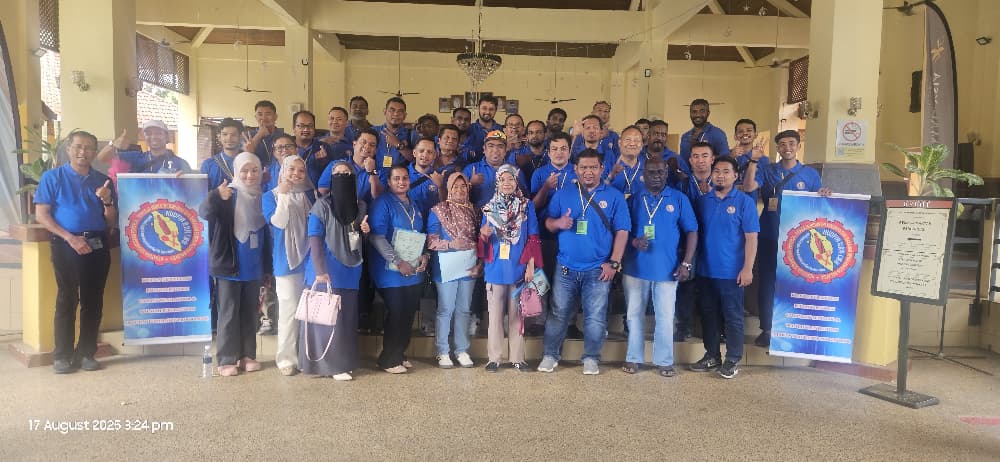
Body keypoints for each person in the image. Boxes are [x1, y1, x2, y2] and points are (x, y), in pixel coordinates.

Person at [538, 149, 630, 375]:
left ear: (602, 169)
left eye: (593, 167)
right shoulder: (563, 194)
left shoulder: (614, 196)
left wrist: (614, 263)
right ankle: (550, 355)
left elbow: (622, 231)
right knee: (558, 313)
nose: (588, 172)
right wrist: (558, 223)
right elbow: (547, 223)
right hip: (566, 267)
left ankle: (591, 358)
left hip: (598, 268)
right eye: (584, 167)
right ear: (576, 169)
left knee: (595, 317)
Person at [34, 131, 117, 374]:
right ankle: (62, 356)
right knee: (67, 298)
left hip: (97, 244)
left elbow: (111, 220)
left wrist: (107, 201)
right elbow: (42, 215)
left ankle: (86, 353)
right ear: (68, 149)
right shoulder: (52, 177)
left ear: (94, 152)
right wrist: (70, 238)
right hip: (66, 244)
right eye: (78, 146)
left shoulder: (103, 181)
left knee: (94, 300)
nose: (83, 152)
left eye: (89, 148)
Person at [742, 130, 831, 348]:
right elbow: (748, 187)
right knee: (768, 283)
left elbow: (818, 204)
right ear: (778, 149)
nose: (787, 147)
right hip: (770, 235)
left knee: (795, 282)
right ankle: (767, 329)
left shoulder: (810, 174)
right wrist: (753, 160)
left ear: (799, 146)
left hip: (799, 240)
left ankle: (793, 328)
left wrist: (824, 193)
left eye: (791, 143)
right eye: (782, 144)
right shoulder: (768, 170)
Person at [621, 157, 697, 377]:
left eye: (661, 172)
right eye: (652, 172)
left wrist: (686, 263)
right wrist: (634, 242)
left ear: (666, 173)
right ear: (643, 174)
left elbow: (692, 231)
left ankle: (664, 360)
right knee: (633, 314)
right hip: (635, 268)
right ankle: (633, 357)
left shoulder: (679, 199)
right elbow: (621, 231)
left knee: (665, 315)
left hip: (668, 268)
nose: (656, 176)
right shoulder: (634, 199)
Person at [199, 152, 271, 377]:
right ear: (236, 172)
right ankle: (226, 359)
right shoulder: (227, 194)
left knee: (250, 313)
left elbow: (267, 235)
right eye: (244, 170)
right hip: (229, 266)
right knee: (228, 312)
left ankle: (247, 355)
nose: (250, 175)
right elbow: (204, 212)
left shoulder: (263, 196)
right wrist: (215, 196)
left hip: (254, 266)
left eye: (255, 170)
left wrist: (267, 269)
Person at [689, 155, 758, 379]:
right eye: (717, 171)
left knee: (733, 316)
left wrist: (747, 268)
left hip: (732, 272)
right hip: (705, 270)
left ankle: (733, 358)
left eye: (726, 171)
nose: (720, 176)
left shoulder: (744, 202)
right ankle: (712, 355)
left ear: (736, 175)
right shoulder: (703, 201)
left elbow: (751, 238)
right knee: (708, 315)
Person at [304, 162, 371, 381]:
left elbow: (359, 239)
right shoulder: (322, 205)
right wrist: (320, 270)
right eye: (337, 173)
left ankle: (342, 363)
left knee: (346, 319)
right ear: (331, 178)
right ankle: (327, 366)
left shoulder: (360, 206)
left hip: (351, 270)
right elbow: (314, 238)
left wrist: (365, 232)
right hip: (326, 269)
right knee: (325, 320)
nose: (342, 175)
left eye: (347, 173)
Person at [479, 165, 542, 372]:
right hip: (495, 268)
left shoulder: (526, 206)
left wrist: (530, 267)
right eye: (503, 179)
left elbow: (533, 237)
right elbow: (483, 241)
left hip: (518, 268)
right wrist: (484, 236)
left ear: (516, 182)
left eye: (511, 179)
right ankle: (494, 358)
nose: (507, 183)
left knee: (517, 316)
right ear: (497, 182)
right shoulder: (488, 208)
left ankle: (517, 358)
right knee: (495, 317)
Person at [368, 164, 430, 373]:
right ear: (389, 181)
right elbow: (377, 237)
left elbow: (422, 235)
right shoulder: (382, 203)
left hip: (413, 271)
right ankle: (388, 359)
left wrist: (425, 256)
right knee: (396, 312)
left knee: (408, 313)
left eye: (405, 178)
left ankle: (400, 353)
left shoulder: (415, 203)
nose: (401, 182)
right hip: (390, 271)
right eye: (396, 178)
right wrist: (398, 261)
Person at [262, 156, 316, 376]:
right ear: (282, 171)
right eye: (291, 169)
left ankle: (306, 357)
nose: (296, 174)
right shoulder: (271, 196)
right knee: (288, 312)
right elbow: (279, 222)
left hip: (310, 261)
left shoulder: (309, 195)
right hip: (286, 262)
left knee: (309, 313)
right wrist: (284, 195)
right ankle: (286, 359)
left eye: (301, 170)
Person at [426, 172, 481, 369]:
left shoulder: (475, 211)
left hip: (468, 266)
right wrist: (451, 244)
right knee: (445, 309)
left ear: (468, 188)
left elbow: (481, 240)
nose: (459, 190)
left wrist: (480, 263)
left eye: (463, 186)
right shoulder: (439, 210)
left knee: (464, 309)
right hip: (446, 267)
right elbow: (431, 240)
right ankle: (442, 351)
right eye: (455, 187)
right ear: (448, 189)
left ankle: (461, 350)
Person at [674, 142, 716, 340]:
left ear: (712, 159)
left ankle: (715, 329)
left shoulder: (721, 183)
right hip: (688, 241)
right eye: (696, 156)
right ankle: (684, 327)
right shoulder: (682, 185)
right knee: (686, 286)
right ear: (690, 160)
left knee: (712, 286)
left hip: (715, 242)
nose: (700, 160)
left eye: (705, 156)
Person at [97, 120, 191, 173]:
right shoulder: (135, 157)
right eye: (148, 133)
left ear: (167, 137)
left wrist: (186, 181)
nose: (153, 137)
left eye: (158, 133)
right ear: (144, 137)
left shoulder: (181, 163)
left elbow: (193, 192)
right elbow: (102, 158)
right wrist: (113, 144)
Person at [464, 130, 527, 209]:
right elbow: (456, 198)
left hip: (507, 215)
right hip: (477, 215)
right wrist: (470, 184)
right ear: (484, 149)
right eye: (491, 146)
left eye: (500, 146)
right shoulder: (470, 169)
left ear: (505, 150)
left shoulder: (515, 171)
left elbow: (525, 198)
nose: (495, 150)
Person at [730, 118, 770, 200]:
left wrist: (754, 159)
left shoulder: (763, 160)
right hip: (727, 200)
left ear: (755, 134)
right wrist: (730, 157)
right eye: (740, 131)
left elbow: (755, 185)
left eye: (749, 130)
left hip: (749, 201)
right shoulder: (727, 155)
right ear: (735, 136)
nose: (745, 133)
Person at [290, 110, 333, 186]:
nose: (306, 129)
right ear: (294, 128)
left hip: (316, 191)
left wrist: (323, 163)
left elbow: (331, 175)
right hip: (290, 191)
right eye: (301, 126)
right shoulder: (286, 148)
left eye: (310, 126)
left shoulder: (324, 148)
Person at [374, 97, 414, 179]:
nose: (396, 114)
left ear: (405, 115)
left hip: (401, 180)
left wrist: (398, 145)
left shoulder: (411, 134)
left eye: (400, 111)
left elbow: (415, 159)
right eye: (392, 110)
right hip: (377, 178)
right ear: (385, 112)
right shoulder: (374, 132)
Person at [201, 118, 244, 190]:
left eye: (233, 135)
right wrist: (217, 193)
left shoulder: (249, 162)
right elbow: (201, 193)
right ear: (219, 137)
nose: (229, 138)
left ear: (240, 137)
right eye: (225, 134)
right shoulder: (208, 164)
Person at [606, 125, 646, 199]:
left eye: (637, 140)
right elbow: (598, 192)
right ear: (619, 143)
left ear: (641, 145)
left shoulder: (648, 168)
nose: (632, 144)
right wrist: (610, 176)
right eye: (628, 139)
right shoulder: (608, 165)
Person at [244, 100, 285, 167]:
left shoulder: (283, 136)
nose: (264, 118)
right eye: (260, 114)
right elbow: (242, 160)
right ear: (256, 117)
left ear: (275, 116)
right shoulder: (248, 136)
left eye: (268, 114)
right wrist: (259, 135)